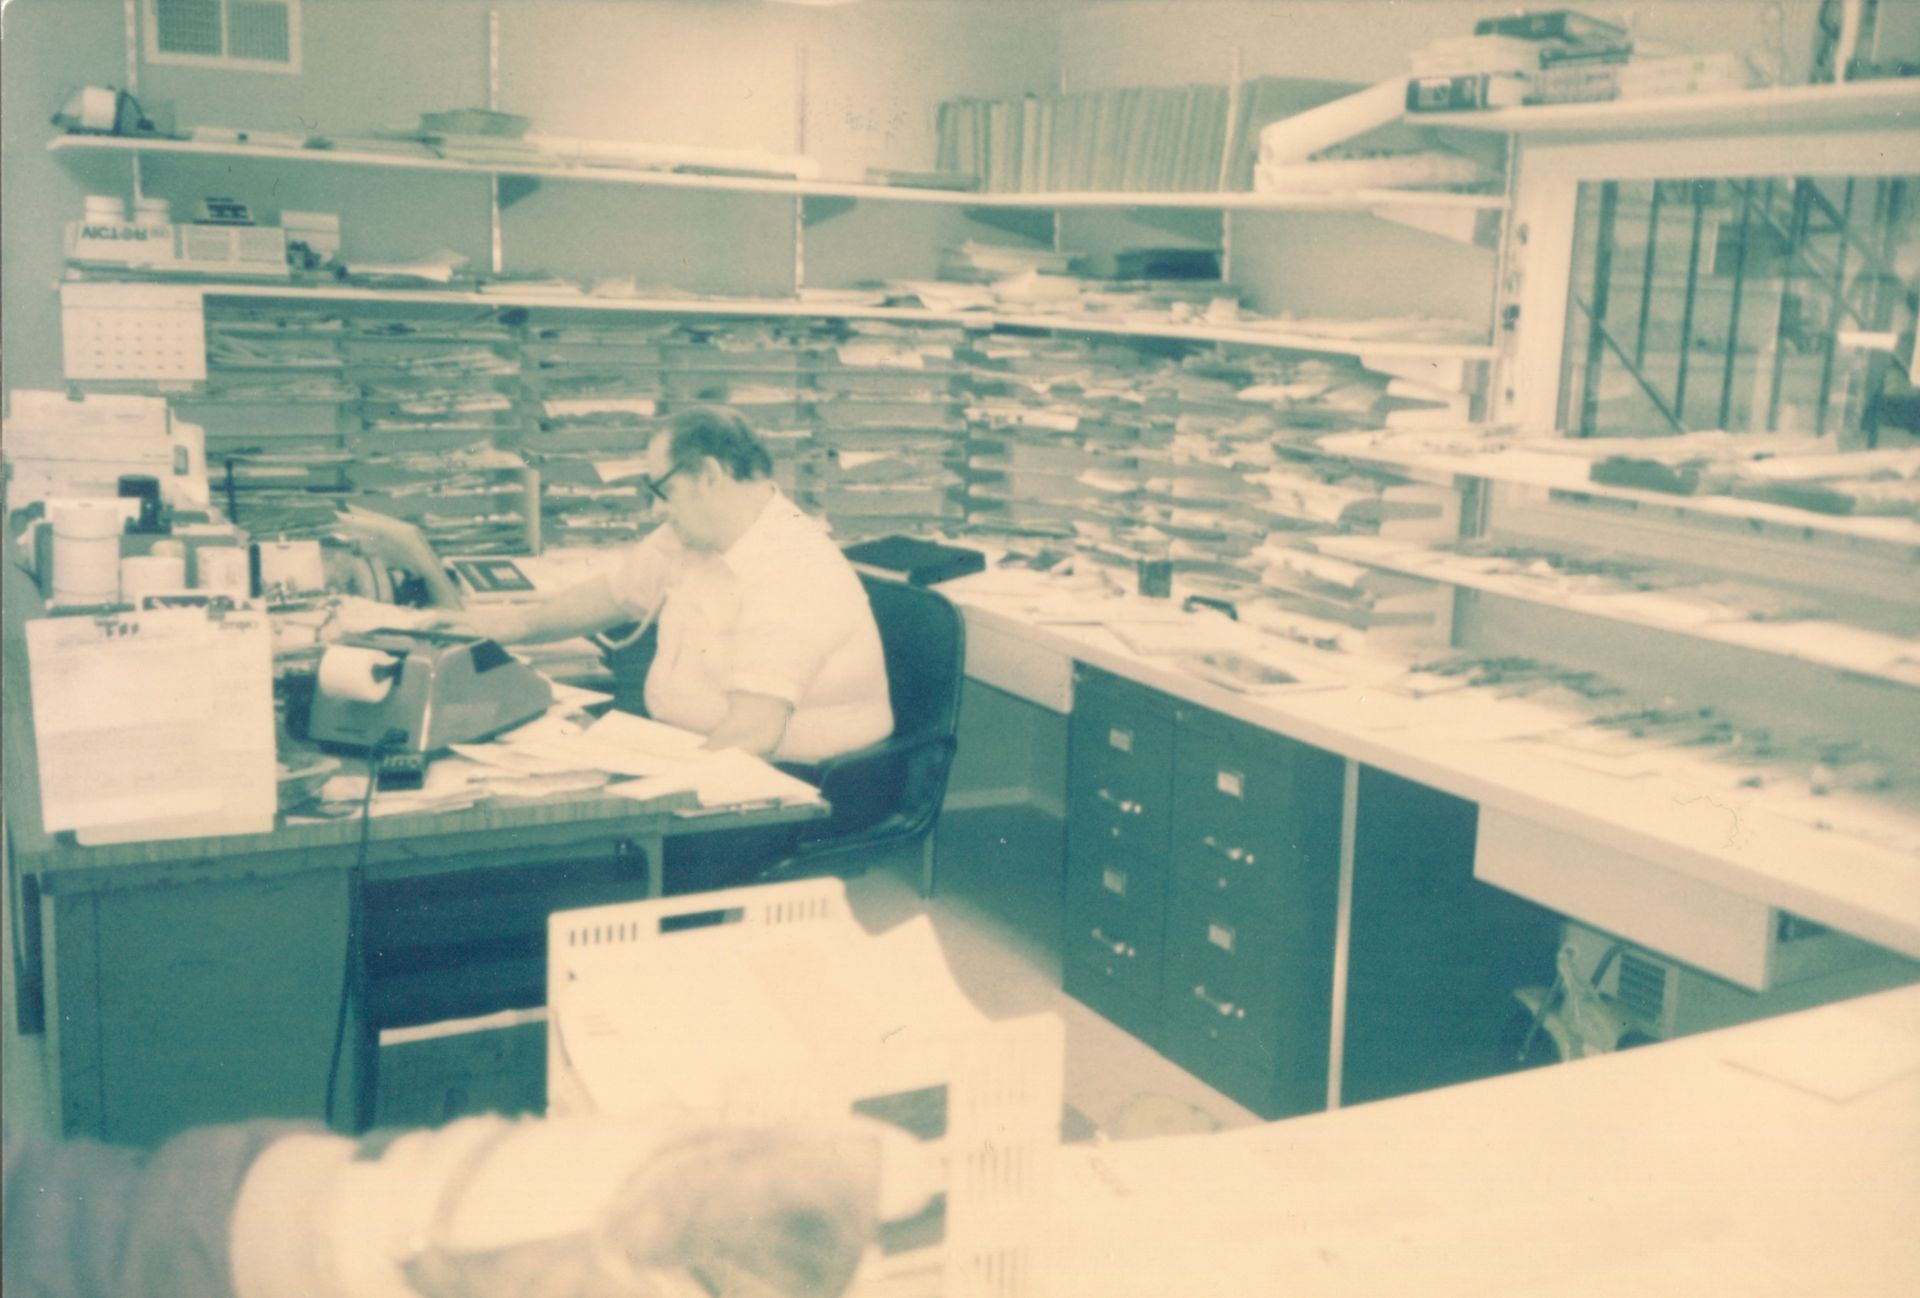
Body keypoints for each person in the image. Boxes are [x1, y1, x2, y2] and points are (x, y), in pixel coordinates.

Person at [338, 406, 892, 767]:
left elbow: (751, 736)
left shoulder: (791, 571)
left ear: (709, 476)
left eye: (661, 490)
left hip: (787, 782)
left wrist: (647, 799)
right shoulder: (694, 536)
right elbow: (606, 597)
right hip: (685, 746)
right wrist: (480, 625)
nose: (655, 508)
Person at [3, 1111, 884, 1298]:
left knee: (86, 1195)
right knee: (60, 1239)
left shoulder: (649, 1148)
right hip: (238, 1251)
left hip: (277, 1164)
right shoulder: (577, 1254)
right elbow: (440, 1263)